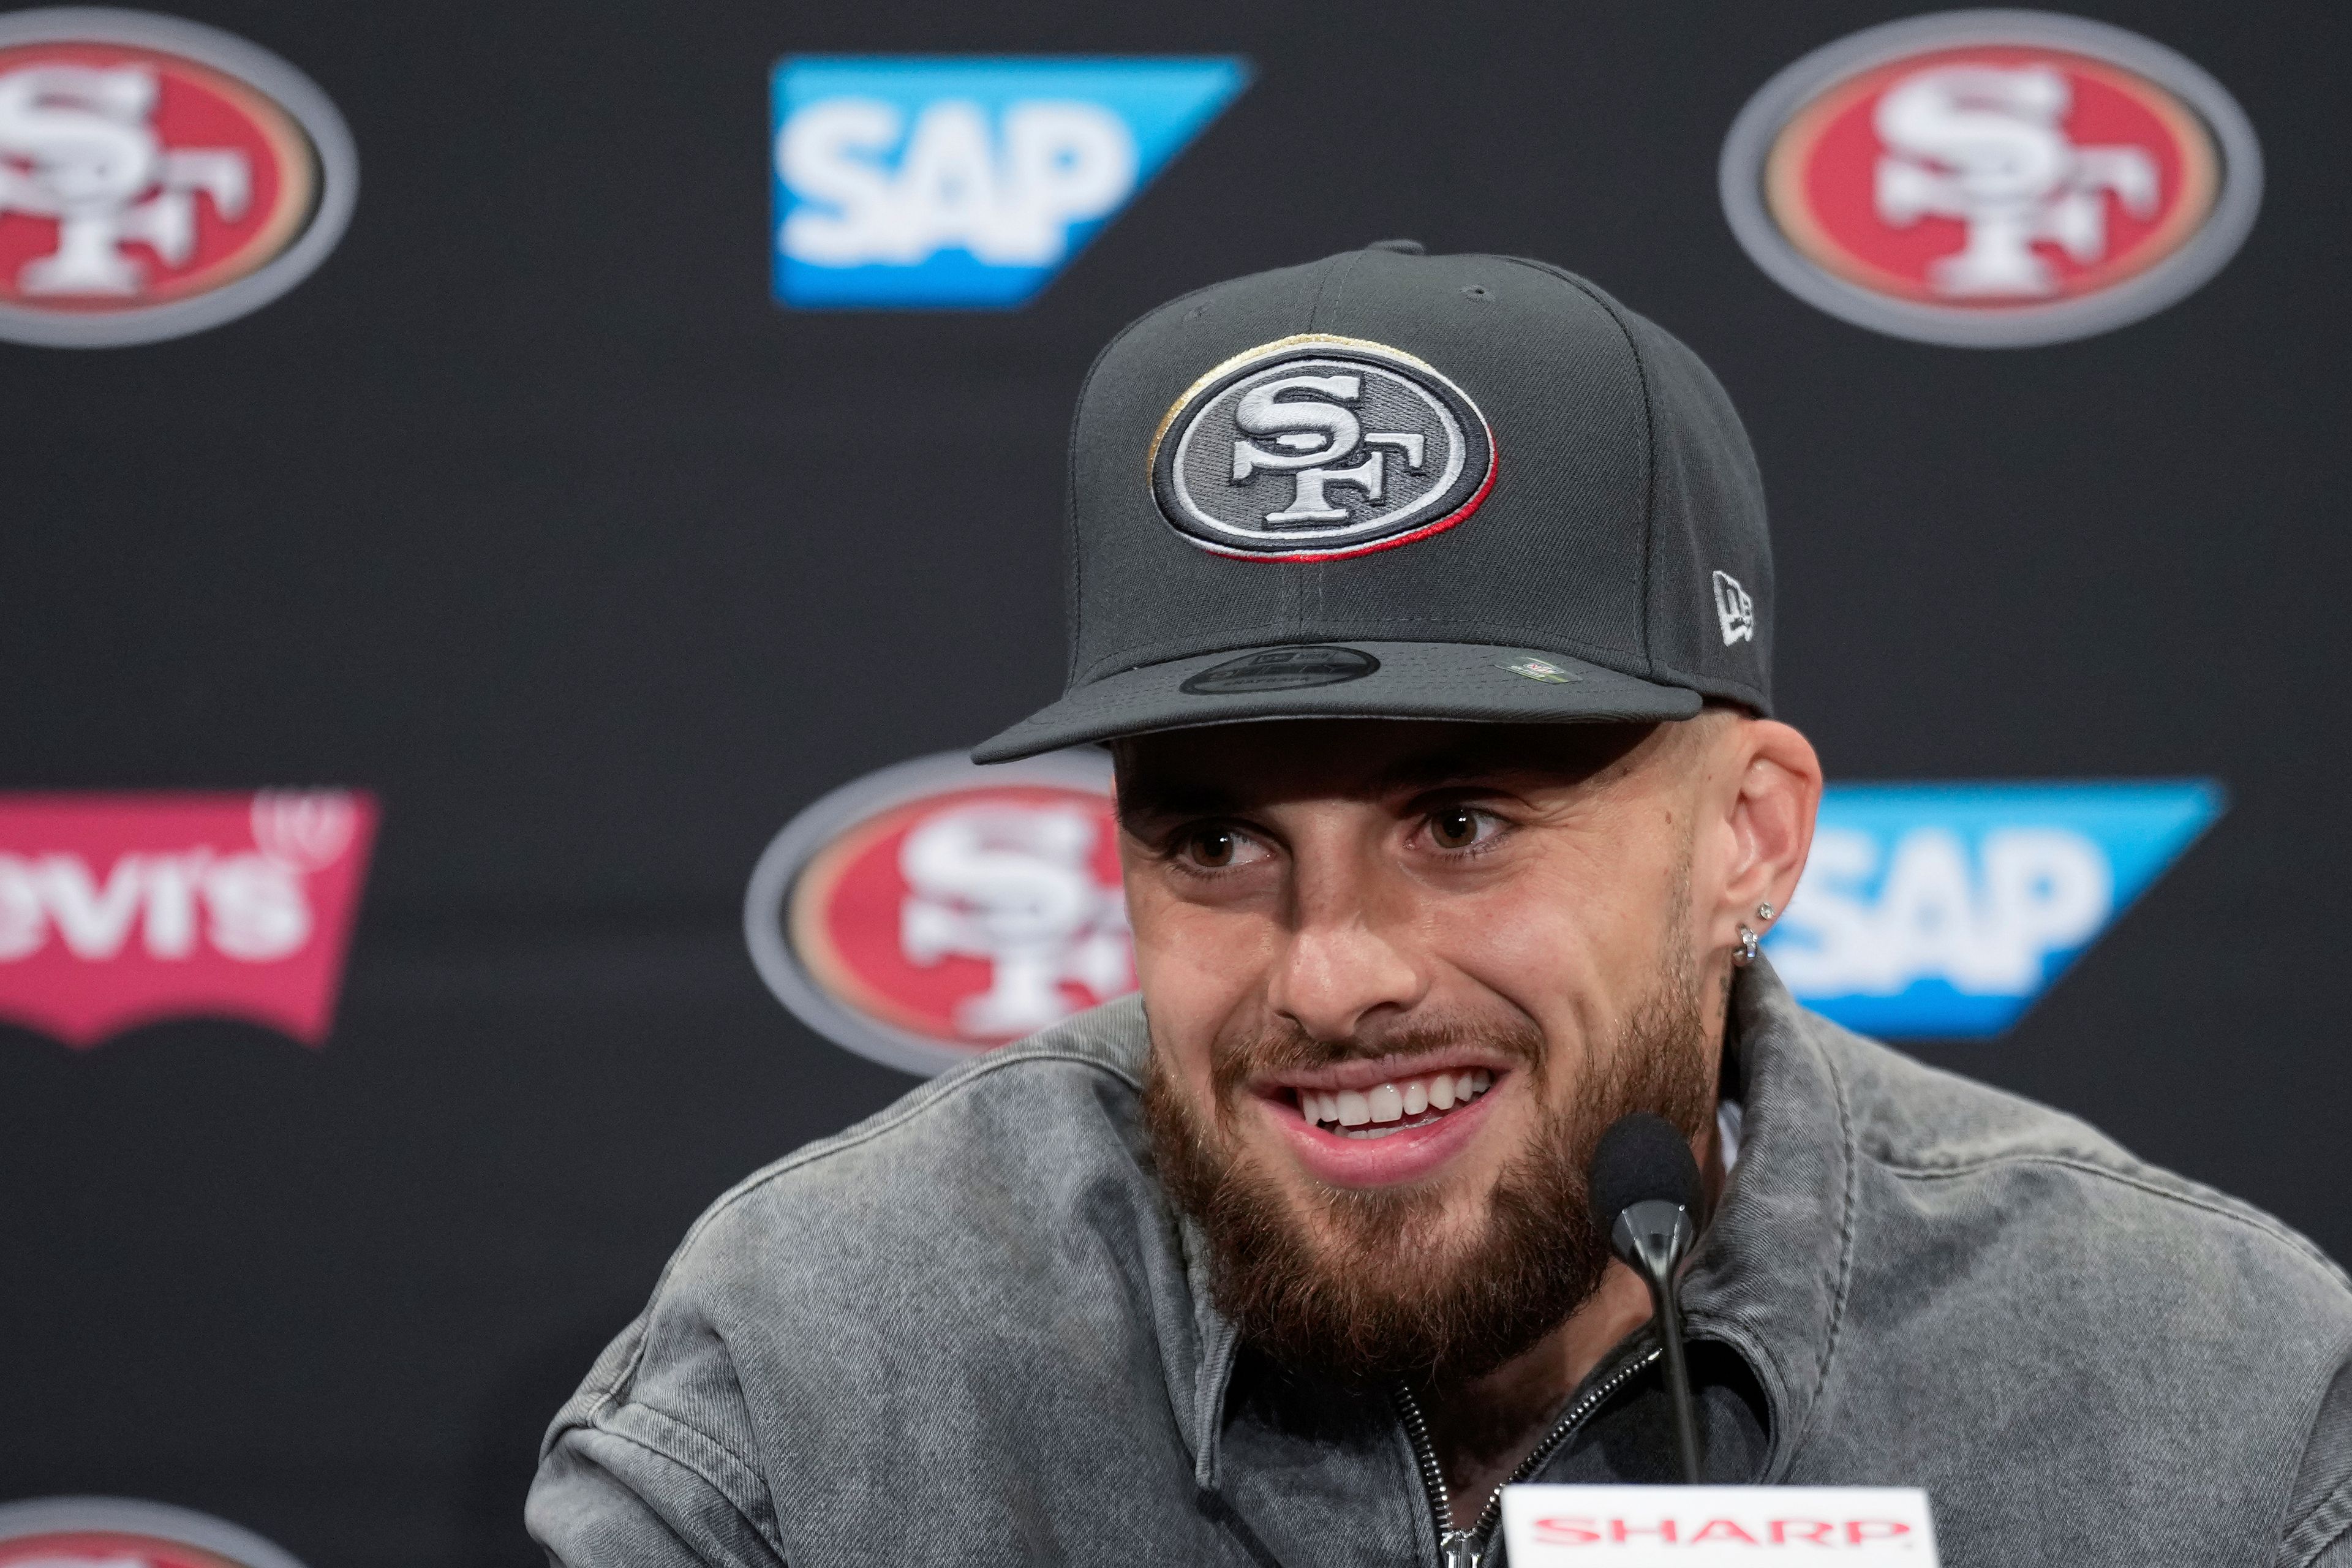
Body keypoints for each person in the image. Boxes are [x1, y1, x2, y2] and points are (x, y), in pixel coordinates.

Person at [525, 244, 2352, 1567]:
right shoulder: (823, 1354)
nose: (1331, 978)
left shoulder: (2200, 1388)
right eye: (1218, 849)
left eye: (1464, 820)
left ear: (1753, 838)